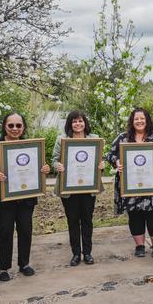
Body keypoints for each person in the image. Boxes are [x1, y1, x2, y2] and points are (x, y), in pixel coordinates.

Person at [0, 113, 50, 281]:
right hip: (4, 198)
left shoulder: (31, 146)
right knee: (5, 231)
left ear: (23, 127)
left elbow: (39, 167)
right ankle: (3, 268)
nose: (15, 129)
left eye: (18, 125)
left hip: (26, 198)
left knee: (25, 231)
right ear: (4, 126)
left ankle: (24, 264)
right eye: (11, 125)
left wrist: (44, 170)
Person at [107, 108, 153, 258]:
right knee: (135, 215)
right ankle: (140, 246)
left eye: (142, 119)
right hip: (130, 185)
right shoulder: (123, 138)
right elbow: (109, 154)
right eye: (136, 119)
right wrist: (116, 161)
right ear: (132, 121)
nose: (139, 121)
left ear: (147, 120)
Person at [52, 110, 105, 266]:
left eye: (80, 121)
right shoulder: (61, 140)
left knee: (87, 220)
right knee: (73, 221)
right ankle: (76, 254)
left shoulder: (94, 139)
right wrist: (58, 165)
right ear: (70, 124)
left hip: (88, 187)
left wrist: (102, 165)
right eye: (74, 121)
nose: (78, 124)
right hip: (69, 189)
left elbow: (100, 160)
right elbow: (54, 159)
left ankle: (87, 253)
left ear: (85, 123)